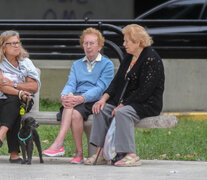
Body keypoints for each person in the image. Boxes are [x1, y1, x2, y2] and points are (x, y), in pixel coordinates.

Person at [85, 24, 165, 167]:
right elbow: (116, 81)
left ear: (138, 42)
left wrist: (123, 104)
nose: (124, 44)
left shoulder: (151, 59)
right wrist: (103, 99)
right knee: (100, 109)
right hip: (126, 101)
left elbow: (144, 91)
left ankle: (131, 155)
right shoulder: (129, 57)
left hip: (146, 103)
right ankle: (101, 153)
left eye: (127, 41)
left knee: (122, 113)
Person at [42, 27, 114, 164]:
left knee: (74, 111)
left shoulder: (107, 64)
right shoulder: (77, 64)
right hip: (76, 98)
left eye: (92, 43)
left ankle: (62, 145)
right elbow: (71, 83)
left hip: (94, 99)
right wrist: (64, 95)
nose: (88, 46)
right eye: (85, 43)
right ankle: (73, 151)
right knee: (71, 104)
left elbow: (100, 88)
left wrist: (82, 97)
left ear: (99, 46)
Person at [0, 30, 41, 163]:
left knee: (13, 102)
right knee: (13, 104)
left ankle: (1, 135)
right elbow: (1, 86)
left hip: (23, 101)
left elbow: (34, 86)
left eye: (18, 42)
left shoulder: (26, 63)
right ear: (3, 47)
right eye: (12, 43)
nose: (16, 46)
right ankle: (14, 154)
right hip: (9, 99)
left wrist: (14, 85)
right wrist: (20, 92)